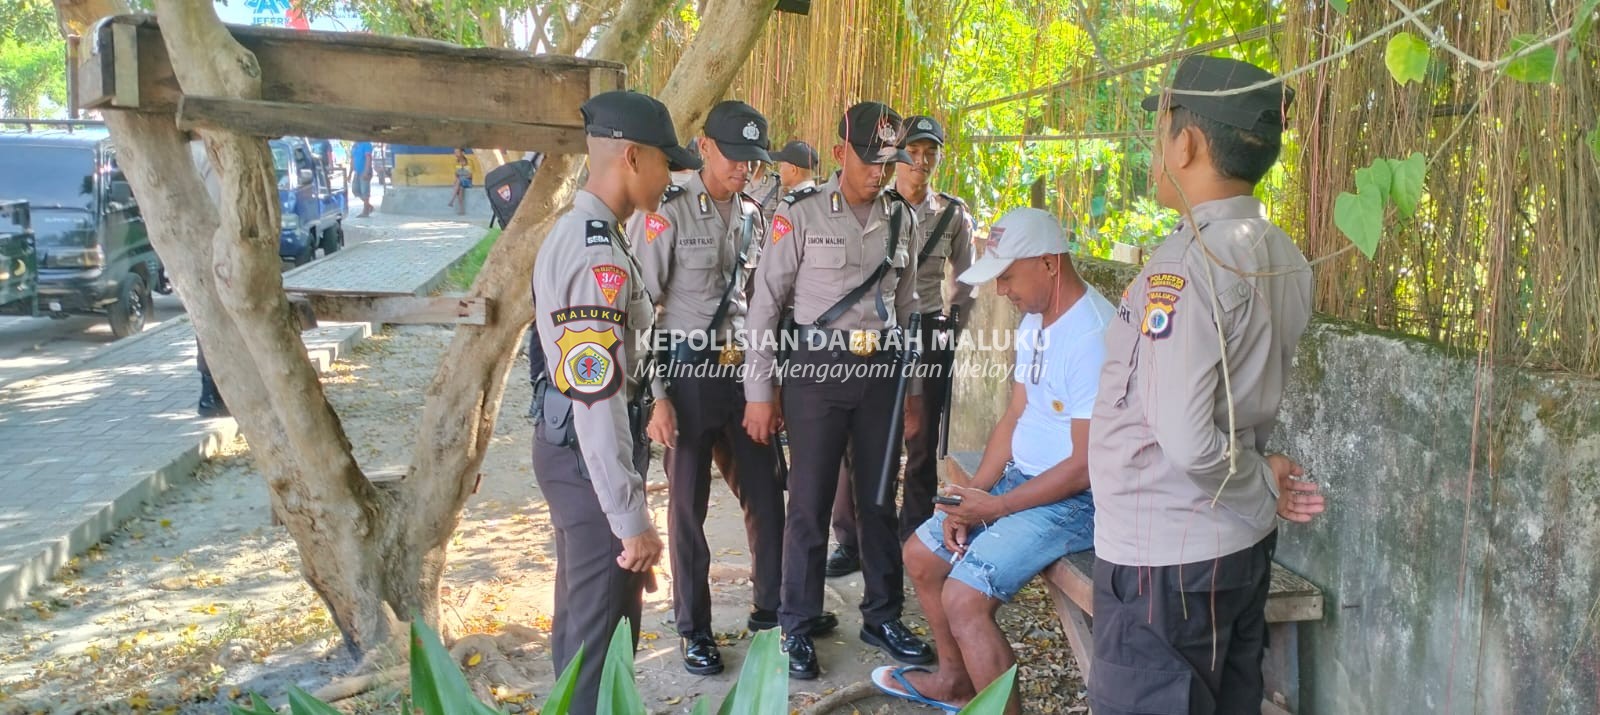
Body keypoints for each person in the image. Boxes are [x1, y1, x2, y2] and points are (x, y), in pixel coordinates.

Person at [1086, 55, 1326, 715]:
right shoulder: (1284, 255)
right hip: (1229, 552)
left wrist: (1257, 479)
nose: (1158, 144)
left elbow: (1190, 441)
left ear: (1185, 142)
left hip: (1166, 565)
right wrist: (1254, 472)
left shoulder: (1189, 265)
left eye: (1162, 127)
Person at [873, 207, 1107, 713]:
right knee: (920, 553)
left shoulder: (1092, 336)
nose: (1002, 291)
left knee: (965, 597)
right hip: (1025, 483)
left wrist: (995, 508)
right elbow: (1015, 415)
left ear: (1049, 264)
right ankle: (956, 683)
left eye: (1006, 276)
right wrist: (972, 495)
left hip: (1076, 499)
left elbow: (1086, 466)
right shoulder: (1035, 322)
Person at [742, 101, 932, 679]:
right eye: (870, 159)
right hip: (815, 374)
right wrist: (760, 391)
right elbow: (765, 305)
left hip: (881, 377)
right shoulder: (798, 213)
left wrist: (915, 392)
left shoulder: (902, 218)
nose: (881, 171)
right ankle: (797, 626)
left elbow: (910, 308)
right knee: (810, 502)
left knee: (878, 500)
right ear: (840, 153)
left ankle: (882, 615)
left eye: (888, 161)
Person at [529, 89, 698, 712]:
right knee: (598, 642)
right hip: (586, 458)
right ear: (632, 157)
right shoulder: (598, 254)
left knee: (583, 627)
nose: (673, 176)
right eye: (666, 162)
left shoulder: (601, 238)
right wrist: (630, 519)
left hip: (576, 456)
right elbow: (597, 402)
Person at [628, 100, 790, 675]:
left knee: (768, 498)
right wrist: (658, 397)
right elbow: (640, 310)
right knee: (687, 510)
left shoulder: (753, 213)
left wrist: (766, 387)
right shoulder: (663, 214)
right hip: (688, 373)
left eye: (753, 161)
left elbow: (762, 305)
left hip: (742, 372)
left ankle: (772, 615)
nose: (744, 169)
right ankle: (694, 628)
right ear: (704, 147)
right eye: (734, 158)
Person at [826, 114, 976, 577]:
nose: (923, 160)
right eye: (915, 151)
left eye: (932, 152)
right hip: (879, 333)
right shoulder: (876, 206)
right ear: (899, 154)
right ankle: (851, 539)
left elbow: (965, 281)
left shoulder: (953, 213)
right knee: (861, 437)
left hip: (927, 330)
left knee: (921, 437)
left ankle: (913, 536)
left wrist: (952, 331)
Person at [754, 139, 821, 223]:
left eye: (781, 165)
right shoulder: (821, 199)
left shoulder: (790, 205)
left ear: (793, 170)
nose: (779, 170)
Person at [350, 140, 374, 217]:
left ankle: (365, 211)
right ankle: (368, 206)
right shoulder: (355, 145)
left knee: (365, 191)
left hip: (365, 170)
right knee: (355, 190)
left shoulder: (366, 144)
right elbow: (352, 159)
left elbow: (368, 158)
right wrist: (350, 173)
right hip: (357, 172)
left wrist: (366, 170)